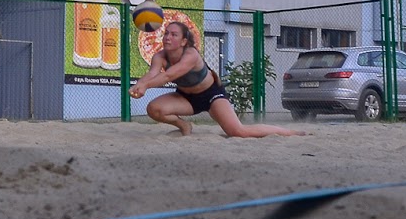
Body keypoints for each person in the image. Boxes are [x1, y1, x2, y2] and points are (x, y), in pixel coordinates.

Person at [129, 21, 305, 137]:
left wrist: (145, 86)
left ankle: (290, 132)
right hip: (185, 97)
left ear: (183, 41)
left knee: (238, 132)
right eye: (166, 33)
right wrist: (139, 85)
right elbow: (152, 74)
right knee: (154, 109)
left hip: (211, 95)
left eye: (173, 34)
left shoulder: (190, 54)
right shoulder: (160, 56)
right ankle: (184, 126)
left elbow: (169, 75)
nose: (167, 37)